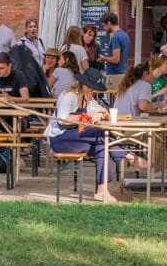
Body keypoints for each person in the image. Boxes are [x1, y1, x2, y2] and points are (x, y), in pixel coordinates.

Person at [45, 68, 116, 203]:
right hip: (60, 138)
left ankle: (102, 190)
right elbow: (63, 120)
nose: (93, 91)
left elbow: (100, 110)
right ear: (83, 84)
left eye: (94, 89)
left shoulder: (86, 96)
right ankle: (128, 156)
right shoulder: (69, 96)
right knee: (101, 135)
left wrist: (104, 114)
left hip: (75, 138)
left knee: (102, 144)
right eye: (91, 87)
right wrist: (87, 117)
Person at [97, 12, 129, 78]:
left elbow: (115, 59)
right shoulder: (125, 35)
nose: (104, 28)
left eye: (104, 25)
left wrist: (104, 58)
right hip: (122, 72)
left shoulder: (115, 37)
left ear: (109, 23)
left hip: (115, 75)